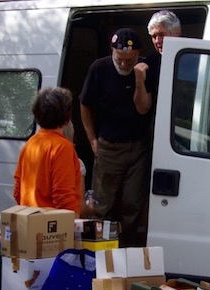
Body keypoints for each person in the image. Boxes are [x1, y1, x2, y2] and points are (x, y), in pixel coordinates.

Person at [79, 28, 153, 247]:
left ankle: (125, 253)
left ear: (138, 53)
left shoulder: (145, 69)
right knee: (104, 206)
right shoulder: (99, 68)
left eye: (129, 60)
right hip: (108, 146)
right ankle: (101, 257)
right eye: (120, 59)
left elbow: (143, 109)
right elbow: (85, 104)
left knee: (133, 205)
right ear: (112, 51)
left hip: (138, 147)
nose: (124, 64)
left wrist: (139, 79)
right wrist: (92, 140)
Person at [13, 87, 82, 216]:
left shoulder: (30, 144)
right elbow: (63, 195)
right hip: (51, 228)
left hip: (28, 219)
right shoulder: (63, 147)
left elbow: (18, 191)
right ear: (67, 119)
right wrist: (72, 224)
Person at [142, 10, 182, 98]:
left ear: (176, 33)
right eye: (154, 36)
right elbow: (143, 109)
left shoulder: (192, 59)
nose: (157, 41)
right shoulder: (149, 64)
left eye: (162, 35)